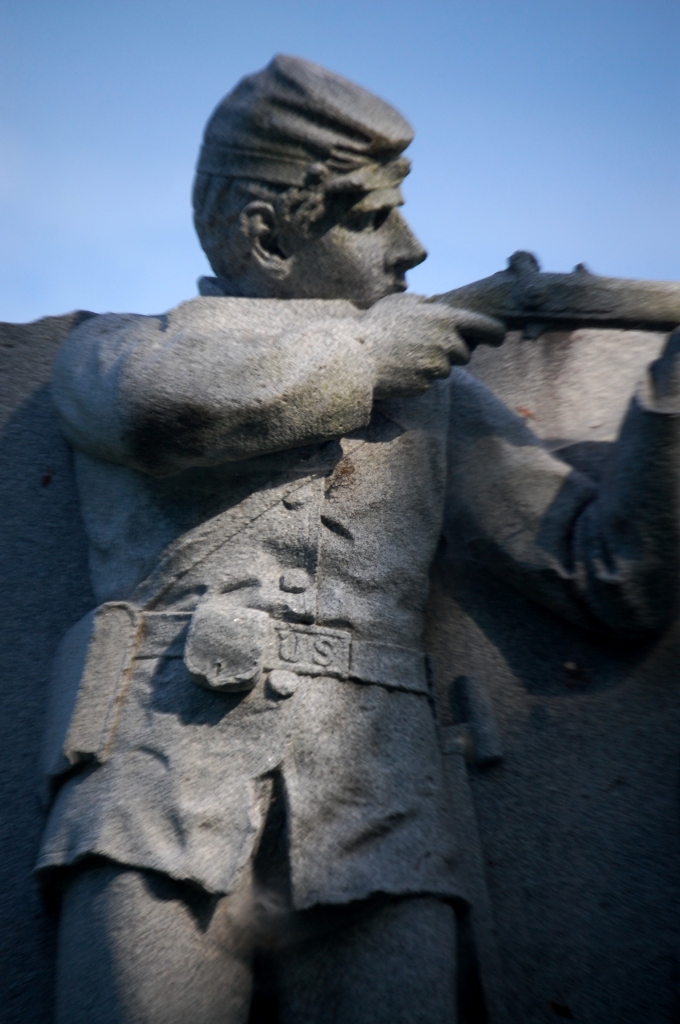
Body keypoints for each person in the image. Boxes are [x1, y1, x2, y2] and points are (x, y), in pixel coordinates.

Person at [38, 55, 680, 1024]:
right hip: (151, 811)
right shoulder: (113, 350)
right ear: (265, 232)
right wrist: (374, 352)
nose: (412, 248)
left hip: (381, 819)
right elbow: (157, 408)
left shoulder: (438, 401)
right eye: (371, 216)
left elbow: (612, 574)